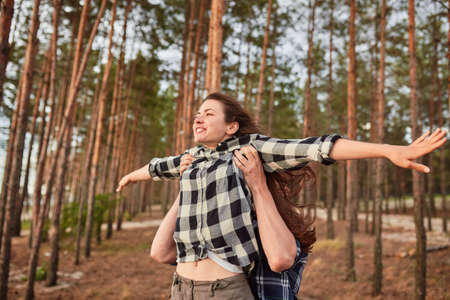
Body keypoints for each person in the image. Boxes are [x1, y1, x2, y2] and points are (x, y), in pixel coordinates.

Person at [117, 92, 447, 299]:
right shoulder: (191, 159)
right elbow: (157, 167)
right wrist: (129, 177)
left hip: (225, 290)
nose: (198, 118)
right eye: (196, 115)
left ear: (231, 127)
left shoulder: (249, 149)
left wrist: (388, 150)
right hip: (180, 287)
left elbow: (317, 147)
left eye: (208, 113)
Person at [151, 146, 309, 300]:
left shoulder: (281, 231)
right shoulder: (226, 222)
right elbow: (161, 252)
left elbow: (279, 259)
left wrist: (259, 186)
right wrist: (189, 187)